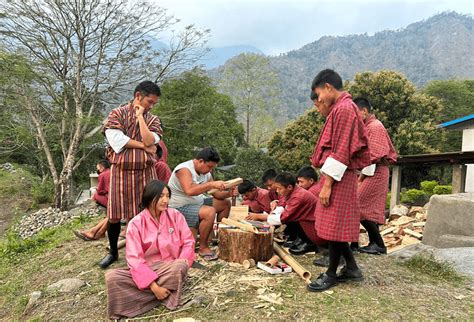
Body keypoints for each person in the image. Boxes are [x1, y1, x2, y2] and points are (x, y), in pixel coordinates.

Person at [307, 69, 371, 292]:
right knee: (336, 224)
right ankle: (352, 269)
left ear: (327, 87)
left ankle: (332, 273)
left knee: (334, 226)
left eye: (319, 94)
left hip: (339, 176)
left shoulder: (344, 109)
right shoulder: (342, 108)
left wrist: (327, 184)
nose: (319, 100)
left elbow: (341, 150)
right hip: (337, 174)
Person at [105, 180, 195, 319]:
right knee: (112, 277)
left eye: (167, 196)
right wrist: (154, 287)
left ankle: (137, 298)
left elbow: (188, 242)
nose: (165, 200)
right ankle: (162, 293)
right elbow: (134, 259)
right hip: (146, 269)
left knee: (181, 265)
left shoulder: (175, 215)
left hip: (170, 268)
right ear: (149, 197)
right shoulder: (136, 223)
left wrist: (182, 260)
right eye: (160, 196)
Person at [100, 81, 163, 269]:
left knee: (145, 212)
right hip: (120, 172)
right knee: (114, 215)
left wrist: (141, 117)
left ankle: (141, 252)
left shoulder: (153, 120)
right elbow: (117, 141)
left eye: (154, 103)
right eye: (149, 102)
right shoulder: (116, 114)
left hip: (146, 172)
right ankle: (113, 252)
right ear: (138, 96)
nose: (151, 106)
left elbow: (151, 139)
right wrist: (143, 146)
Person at [168, 147, 232, 260]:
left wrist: (229, 193)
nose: (210, 170)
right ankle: (203, 247)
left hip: (197, 202)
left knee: (225, 204)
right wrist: (211, 184)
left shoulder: (205, 173)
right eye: (210, 166)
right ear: (200, 161)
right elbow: (190, 190)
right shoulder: (184, 169)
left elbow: (216, 194)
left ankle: (219, 238)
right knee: (209, 212)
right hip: (179, 207)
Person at [353, 97, 397, 255]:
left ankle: (378, 243)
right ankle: (372, 243)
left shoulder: (375, 126)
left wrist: (353, 163)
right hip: (371, 170)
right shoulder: (367, 127)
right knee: (369, 208)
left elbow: (375, 154)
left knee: (358, 205)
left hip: (377, 170)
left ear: (364, 111)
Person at [246, 172, 325, 255]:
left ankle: (309, 243)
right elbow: (282, 204)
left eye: (279, 189)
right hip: (307, 222)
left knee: (291, 218)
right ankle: (302, 240)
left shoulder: (298, 196)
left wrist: (259, 216)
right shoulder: (291, 191)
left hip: (314, 226)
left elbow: (283, 217)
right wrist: (273, 213)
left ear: (289, 187)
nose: (277, 191)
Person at [74, 160, 111, 241]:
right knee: (111, 216)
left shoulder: (103, 174)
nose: (97, 170)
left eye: (98, 168)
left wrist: (96, 191)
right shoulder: (114, 172)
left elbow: (101, 190)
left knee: (95, 195)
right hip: (118, 199)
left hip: (112, 200)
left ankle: (93, 232)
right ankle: (97, 233)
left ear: (102, 167)